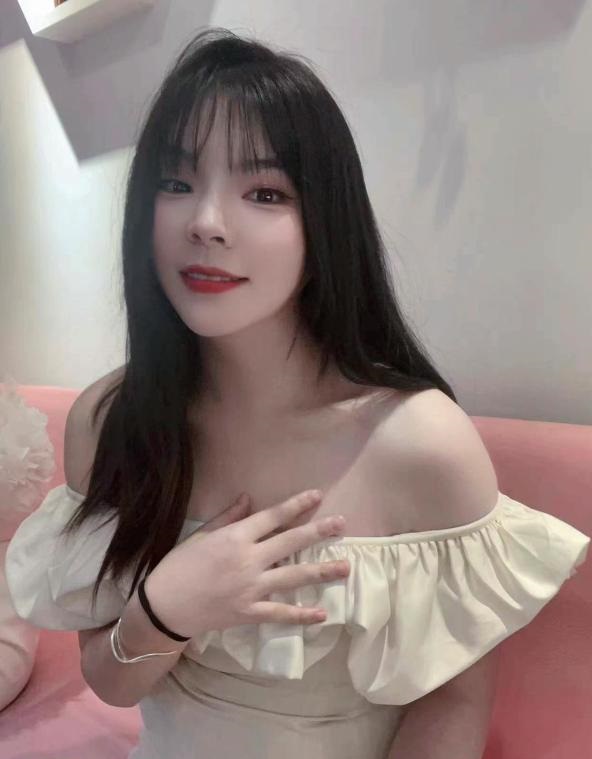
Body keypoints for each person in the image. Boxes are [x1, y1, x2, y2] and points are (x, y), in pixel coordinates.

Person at [5, 27, 590, 759]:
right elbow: (112, 682)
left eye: (264, 192)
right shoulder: (109, 421)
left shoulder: (420, 443)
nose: (206, 223)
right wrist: (167, 608)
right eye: (176, 183)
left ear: (325, 223)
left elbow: (452, 703)